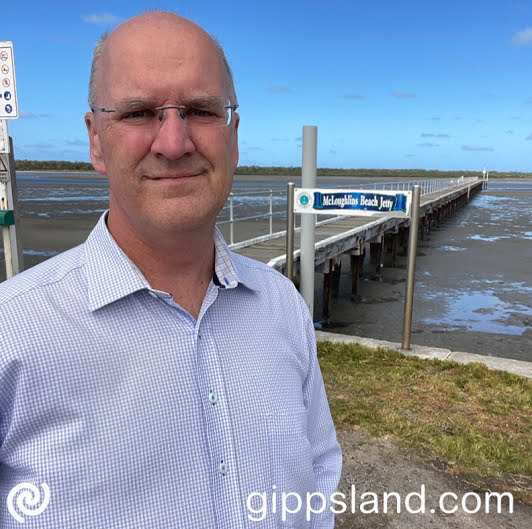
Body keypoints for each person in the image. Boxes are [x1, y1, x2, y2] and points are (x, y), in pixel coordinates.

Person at [0, 11, 341, 528]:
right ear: (95, 141)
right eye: (138, 113)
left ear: (234, 137)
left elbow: (318, 469)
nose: (174, 142)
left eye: (202, 110)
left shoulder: (282, 306)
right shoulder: (13, 332)